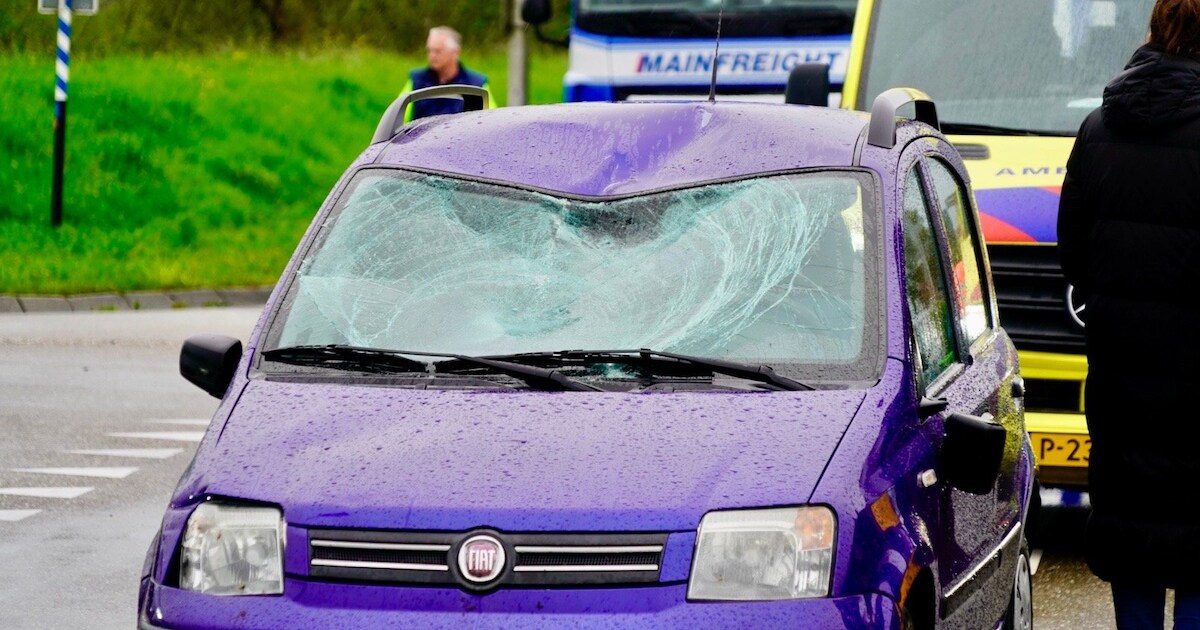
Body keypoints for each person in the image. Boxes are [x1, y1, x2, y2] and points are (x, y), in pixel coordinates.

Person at [1058, 1, 1200, 628]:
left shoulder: (1098, 129)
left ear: (1152, 32)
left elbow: (1073, 254)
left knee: (1132, 537)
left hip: (1121, 380)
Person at [401, 26, 495, 122]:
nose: (432, 56)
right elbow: (400, 120)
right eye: (429, 50)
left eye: (438, 51)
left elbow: (489, 124)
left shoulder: (476, 86)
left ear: (455, 52)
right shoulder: (417, 80)